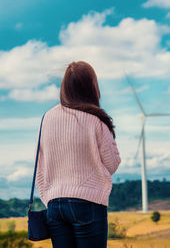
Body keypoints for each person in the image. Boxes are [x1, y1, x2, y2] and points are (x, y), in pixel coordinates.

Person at [35, 61, 121, 248]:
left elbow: (40, 165)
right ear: (92, 87)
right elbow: (112, 164)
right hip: (88, 203)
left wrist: (50, 197)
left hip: (54, 204)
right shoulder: (96, 119)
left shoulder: (47, 118)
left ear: (64, 87)